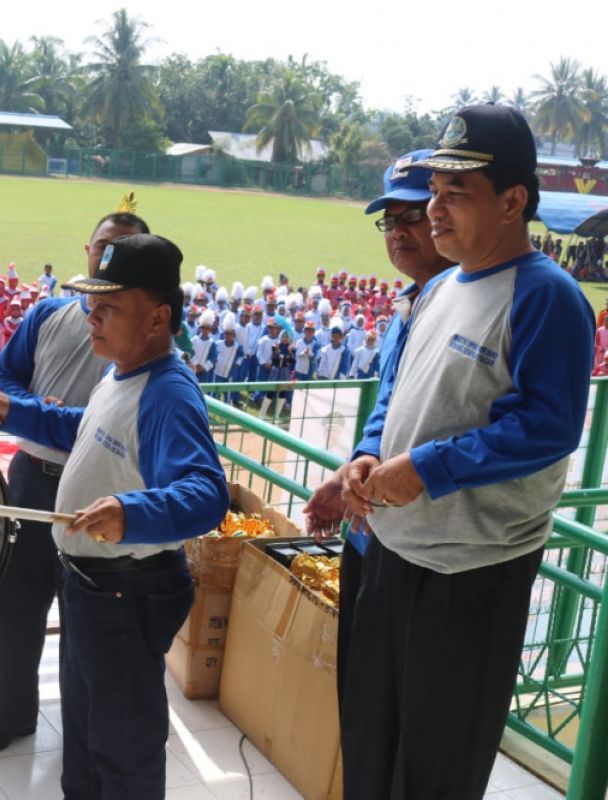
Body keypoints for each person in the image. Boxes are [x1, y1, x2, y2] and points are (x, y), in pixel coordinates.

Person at [337, 105, 595, 798]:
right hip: (393, 552)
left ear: (513, 201)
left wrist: (425, 468)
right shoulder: (442, 286)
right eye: (436, 193)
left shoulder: (548, 298)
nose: (435, 211)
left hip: (469, 574)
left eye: (458, 194)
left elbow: (547, 426)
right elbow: (399, 396)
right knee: (369, 740)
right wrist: (368, 454)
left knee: (435, 768)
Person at [0, 233, 230, 798]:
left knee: (123, 750)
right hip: (92, 588)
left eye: (108, 307)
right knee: (86, 742)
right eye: (93, 303)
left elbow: (207, 493)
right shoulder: (125, 372)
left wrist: (130, 512)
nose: (93, 317)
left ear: (157, 319)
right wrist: (17, 411)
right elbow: (81, 428)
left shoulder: (169, 395)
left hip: (125, 593)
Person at [0, 203, 150, 755]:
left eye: (123, 252)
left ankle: (86, 730)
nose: (107, 259)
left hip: (97, 493)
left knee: (85, 617)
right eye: (101, 248)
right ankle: (11, 716)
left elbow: (111, 425)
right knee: (15, 604)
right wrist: (26, 406)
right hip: (30, 479)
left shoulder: (140, 337)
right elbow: (5, 376)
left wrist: (35, 415)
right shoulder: (48, 314)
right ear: (86, 253)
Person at [303, 148, 455, 706]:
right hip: (372, 526)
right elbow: (387, 412)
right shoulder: (407, 307)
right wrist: (348, 472)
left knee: (402, 702)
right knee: (362, 690)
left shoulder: (461, 307)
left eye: (411, 215)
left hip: (424, 547)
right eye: (389, 221)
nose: (398, 232)